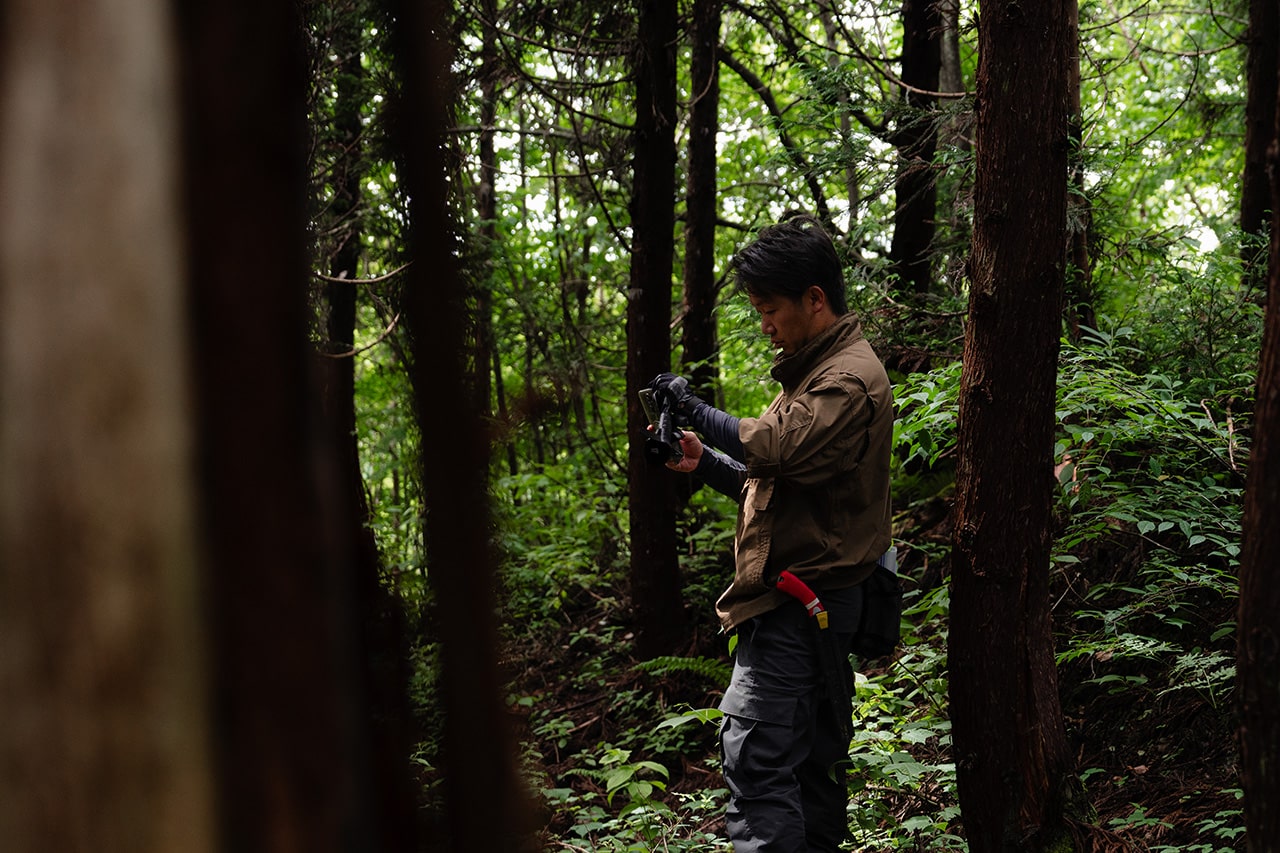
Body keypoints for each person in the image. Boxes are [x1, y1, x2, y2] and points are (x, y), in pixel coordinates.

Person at [649, 213, 894, 852]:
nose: (764, 325)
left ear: (815, 300)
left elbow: (778, 449)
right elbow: (781, 487)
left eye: (770, 308)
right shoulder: (814, 371)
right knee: (810, 775)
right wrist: (705, 462)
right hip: (799, 602)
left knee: (757, 766)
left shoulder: (846, 377)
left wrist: (699, 407)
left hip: (800, 606)